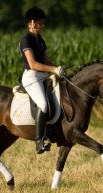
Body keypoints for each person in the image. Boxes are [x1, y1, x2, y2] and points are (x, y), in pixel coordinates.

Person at [19, 6, 64, 154]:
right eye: (40, 22)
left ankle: (53, 132)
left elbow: (47, 60)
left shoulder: (40, 39)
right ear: (31, 23)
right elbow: (33, 64)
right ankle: (39, 141)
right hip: (32, 77)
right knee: (43, 104)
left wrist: (57, 69)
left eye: (43, 22)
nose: (42, 25)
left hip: (44, 75)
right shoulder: (26, 39)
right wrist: (52, 70)